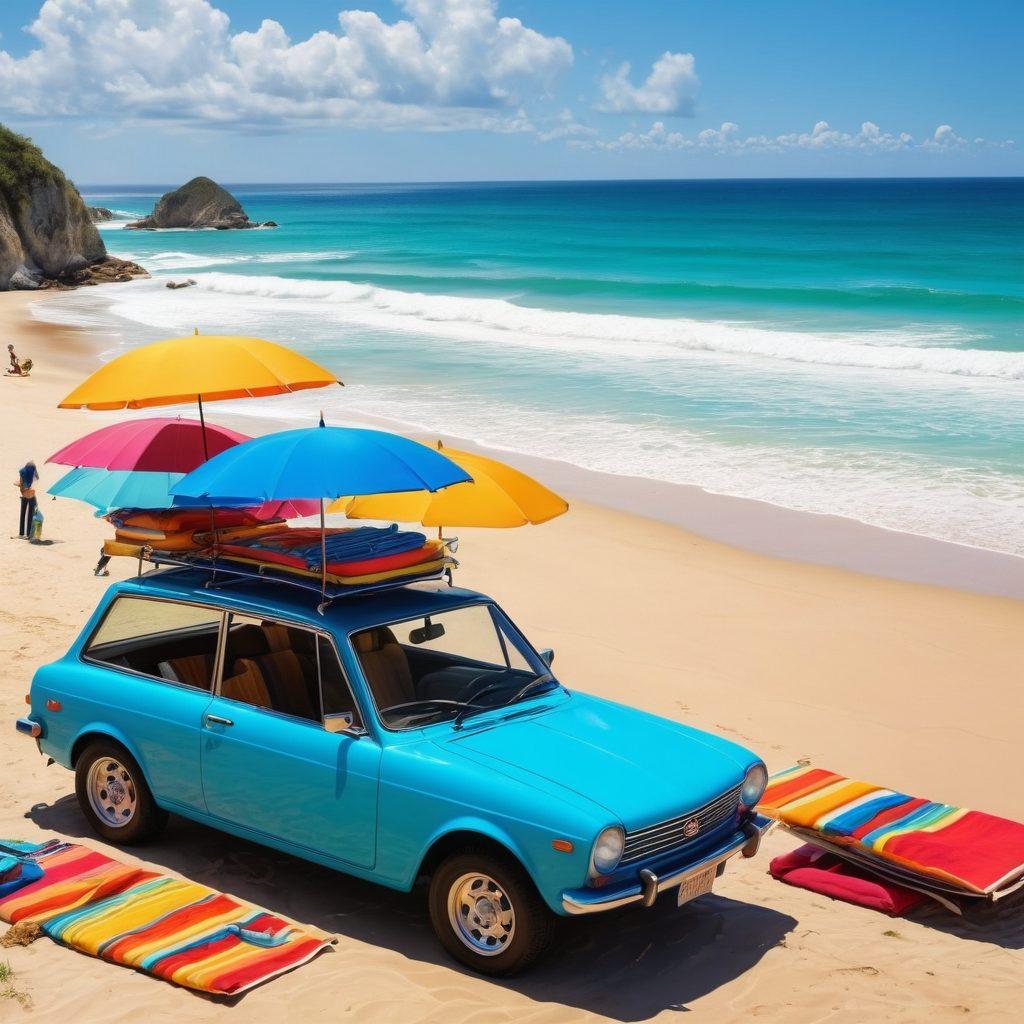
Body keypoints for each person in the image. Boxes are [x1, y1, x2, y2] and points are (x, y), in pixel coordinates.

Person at [15, 461, 38, 538]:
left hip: (28, 497)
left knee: (27, 516)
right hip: (28, 497)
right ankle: (25, 534)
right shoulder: (32, 477)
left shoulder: (26, 475)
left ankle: (26, 534)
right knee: (27, 515)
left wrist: (20, 485)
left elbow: (26, 486)